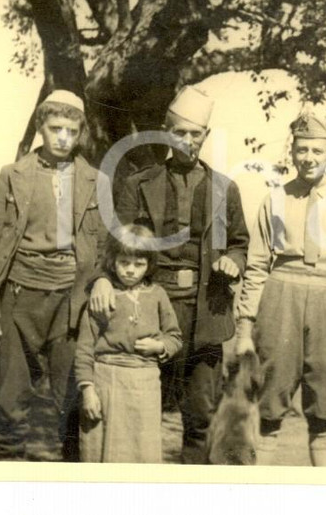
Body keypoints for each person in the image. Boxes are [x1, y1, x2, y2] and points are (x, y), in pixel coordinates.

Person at [88, 86, 249, 464]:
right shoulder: (139, 183)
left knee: (200, 415)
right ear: (165, 132)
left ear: (206, 137)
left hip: (206, 312)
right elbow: (116, 243)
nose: (188, 141)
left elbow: (240, 242)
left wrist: (234, 262)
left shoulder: (225, 189)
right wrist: (100, 278)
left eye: (196, 135)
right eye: (180, 133)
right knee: (142, 410)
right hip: (151, 310)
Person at [234, 112, 326, 466]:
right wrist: (245, 330)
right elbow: (255, 267)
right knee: (270, 409)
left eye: (317, 150)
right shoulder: (275, 199)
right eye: (302, 150)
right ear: (292, 152)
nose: (309, 158)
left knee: (325, 413)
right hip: (281, 299)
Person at [0, 89, 106, 461]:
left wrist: (102, 285)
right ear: (40, 128)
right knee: (11, 397)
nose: (63, 137)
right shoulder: (13, 176)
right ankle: (7, 473)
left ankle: (73, 479)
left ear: (81, 133)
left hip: (71, 302)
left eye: (72, 130)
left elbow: (104, 249)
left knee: (71, 396)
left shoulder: (96, 181)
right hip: (20, 295)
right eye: (55, 128)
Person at [75, 224, 183, 463]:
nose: (131, 271)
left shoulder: (157, 295)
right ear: (113, 262)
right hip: (107, 383)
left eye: (139, 264)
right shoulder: (102, 296)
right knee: (103, 453)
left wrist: (159, 347)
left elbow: (174, 336)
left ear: (149, 265)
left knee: (141, 452)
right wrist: (88, 390)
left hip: (145, 385)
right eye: (125, 263)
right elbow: (84, 349)